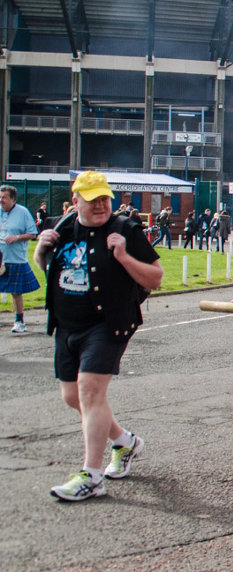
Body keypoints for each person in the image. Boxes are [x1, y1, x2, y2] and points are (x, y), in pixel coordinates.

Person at [34, 171, 163, 501]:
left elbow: (155, 277)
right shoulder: (61, 227)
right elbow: (51, 269)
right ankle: (124, 441)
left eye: (105, 198)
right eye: (93, 200)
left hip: (108, 324)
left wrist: (123, 256)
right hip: (66, 325)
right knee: (73, 397)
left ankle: (91, 476)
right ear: (76, 201)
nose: (101, 205)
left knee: (90, 391)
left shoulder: (125, 230)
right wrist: (39, 252)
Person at [0, 185, 41, 333]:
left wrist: (16, 237)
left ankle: (19, 321)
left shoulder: (22, 212)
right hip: (0, 258)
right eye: (0, 197)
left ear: (12, 198)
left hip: (15, 258)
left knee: (16, 292)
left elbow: (32, 234)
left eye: (4, 197)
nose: (1, 200)